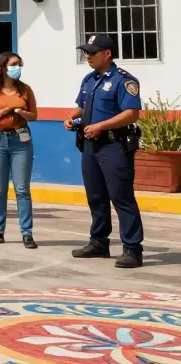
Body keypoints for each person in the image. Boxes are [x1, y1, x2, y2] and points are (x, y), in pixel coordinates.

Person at [66, 34, 145, 268]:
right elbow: (82, 107)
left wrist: (101, 126)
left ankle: (132, 248)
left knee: (121, 197)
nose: (88, 56)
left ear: (107, 53)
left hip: (113, 146)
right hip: (90, 146)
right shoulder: (89, 79)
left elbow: (132, 113)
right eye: (86, 52)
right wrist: (71, 117)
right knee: (96, 196)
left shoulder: (124, 81)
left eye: (92, 52)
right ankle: (99, 242)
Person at [0, 52, 38, 248]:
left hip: (21, 141)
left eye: (19, 64)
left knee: (22, 189)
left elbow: (34, 115)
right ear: (2, 67)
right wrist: (1, 113)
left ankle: (27, 233)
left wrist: (22, 112)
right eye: (13, 64)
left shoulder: (25, 89)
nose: (17, 68)